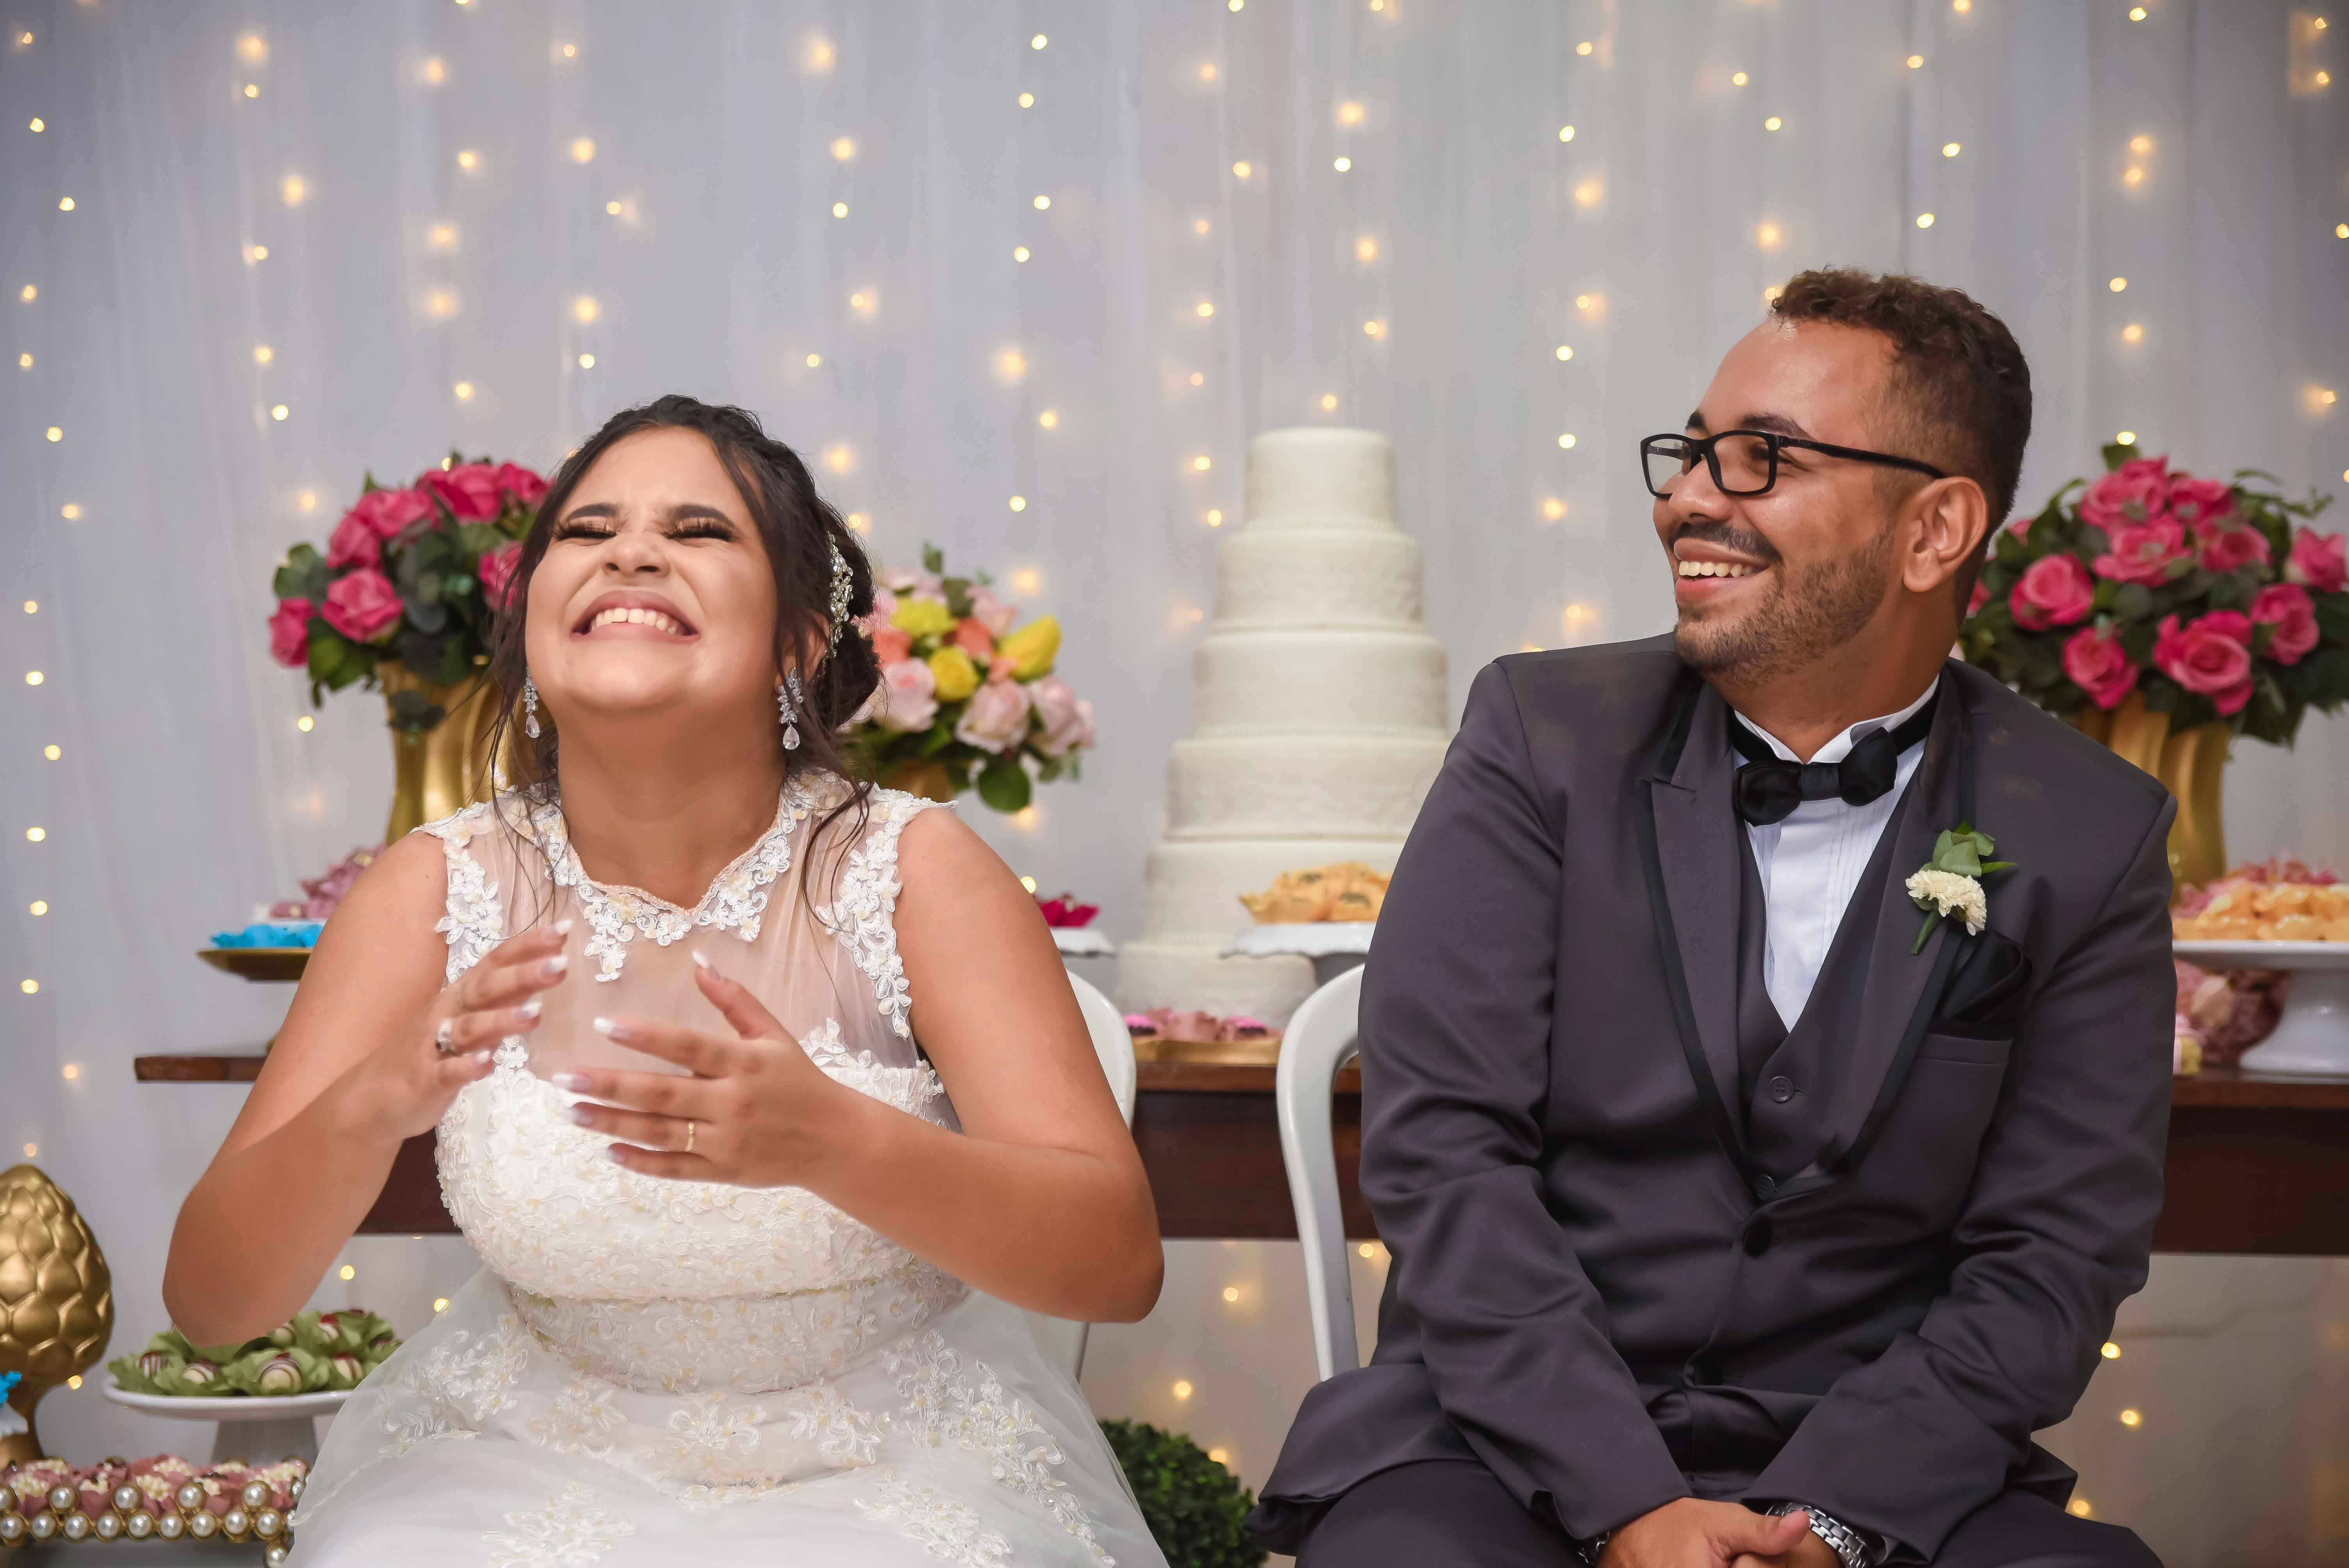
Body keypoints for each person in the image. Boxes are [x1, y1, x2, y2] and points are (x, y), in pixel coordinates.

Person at [1249, 271, 2172, 1568]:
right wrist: (1625, 1498)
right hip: (1502, 1455)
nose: (1687, 498)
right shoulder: (1540, 740)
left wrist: (1837, 1516)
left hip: (1881, 1475)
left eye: (1763, 459)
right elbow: (1445, 1157)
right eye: (1690, 454)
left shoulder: (2092, 827)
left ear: (1936, 529)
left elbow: (2055, 1254)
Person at [164, 396, 1167, 1566]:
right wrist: (373, 1100)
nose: (631, 552)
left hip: (890, 1469)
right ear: (535, 617)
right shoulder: (429, 890)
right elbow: (214, 1307)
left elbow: (1116, 1266)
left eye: (699, 531)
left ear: (800, 641)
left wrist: (836, 1143)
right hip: (512, 1472)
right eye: (587, 532)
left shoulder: (915, 873)